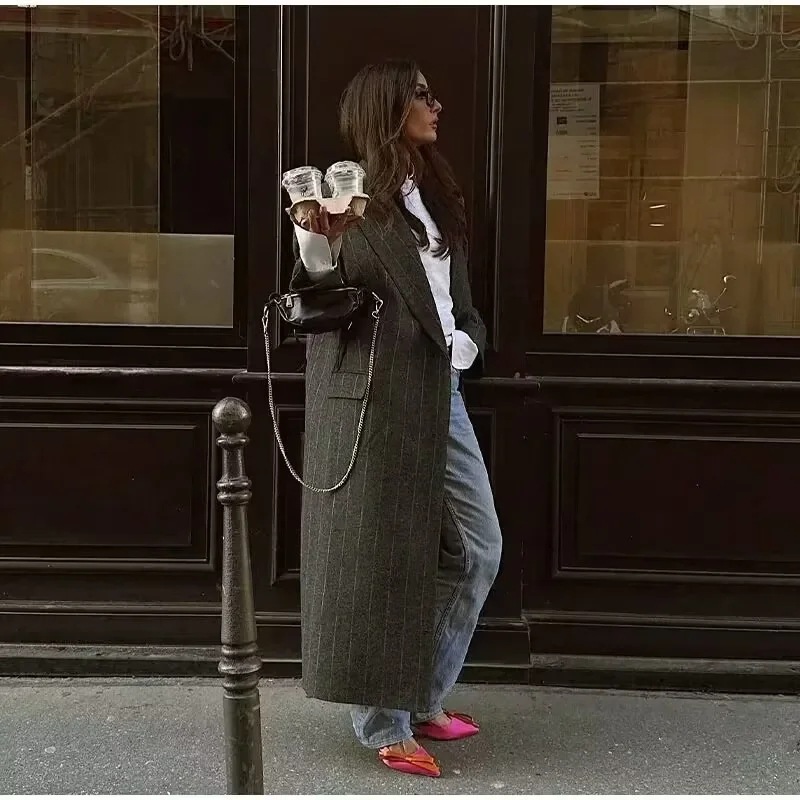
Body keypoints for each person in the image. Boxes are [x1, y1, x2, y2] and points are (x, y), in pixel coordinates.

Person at [288, 59, 503, 778]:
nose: (436, 105)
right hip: (378, 397)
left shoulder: (436, 197)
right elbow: (319, 298)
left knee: (478, 549)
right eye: (420, 95)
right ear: (387, 108)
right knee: (380, 559)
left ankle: (422, 691)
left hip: (443, 388)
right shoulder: (348, 197)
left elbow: (457, 299)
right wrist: (316, 238)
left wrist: (464, 343)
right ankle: (384, 720)